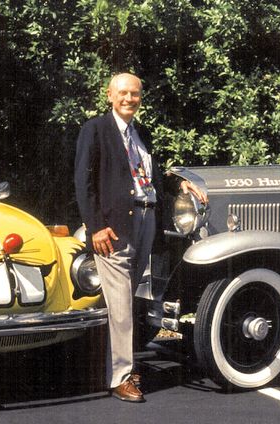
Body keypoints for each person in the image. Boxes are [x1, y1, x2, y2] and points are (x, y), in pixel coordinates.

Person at [74, 72, 205, 403]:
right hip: (113, 227)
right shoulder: (95, 130)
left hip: (146, 220)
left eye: (134, 94)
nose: (129, 99)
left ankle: (107, 366)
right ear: (109, 95)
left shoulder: (140, 133)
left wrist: (179, 184)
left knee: (124, 301)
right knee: (121, 305)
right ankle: (121, 377)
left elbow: (150, 174)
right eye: (123, 93)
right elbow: (83, 183)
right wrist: (95, 227)